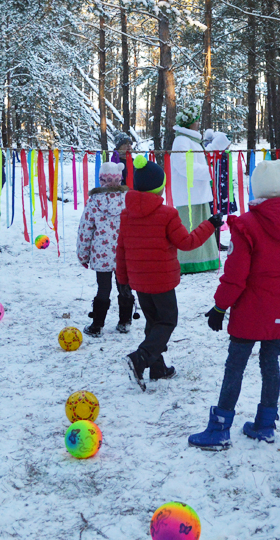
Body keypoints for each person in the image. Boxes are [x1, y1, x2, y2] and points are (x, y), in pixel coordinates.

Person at [188, 160, 280, 450]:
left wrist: (220, 307)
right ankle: (266, 424)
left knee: (235, 365)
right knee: (270, 361)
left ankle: (220, 428)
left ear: (256, 189)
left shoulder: (247, 225)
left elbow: (236, 272)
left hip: (250, 309)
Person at [118, 154, 220, 391]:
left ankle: (158, 368)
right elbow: (187, 242)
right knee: (167, 321)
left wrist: (123, 281)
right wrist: (210, 224)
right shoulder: (167, 214)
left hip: (139, 280)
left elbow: (121, 249)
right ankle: (140, 358)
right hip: (162, 280)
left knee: (153, 322)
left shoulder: (126, 214)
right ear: (160, 187)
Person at [77, 162, 136, 336]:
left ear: (101, 179)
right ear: (119, 179)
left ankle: (97, 325)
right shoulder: (128, 200)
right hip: (123, 254)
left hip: (101, 255)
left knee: (103, 288)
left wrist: (83, 255)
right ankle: (125, 321)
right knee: (124, 286)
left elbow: (85, 229)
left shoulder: (94, 202)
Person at [170, 101, 219, 273]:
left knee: (201, 225)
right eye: (196, 120)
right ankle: (189, 262)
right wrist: (209, 172)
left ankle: (204, 260)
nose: (198, 123)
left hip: (197, 193)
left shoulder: (191, 140)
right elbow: (183, 165)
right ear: (189, 122)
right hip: (188, 194)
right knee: (191, 227)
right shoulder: (181, 141)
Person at [204, 129, 235, 251]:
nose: (229, 145)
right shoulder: (214, 154)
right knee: (212, 214)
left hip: (221, 189)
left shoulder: (224, 154)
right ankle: (211, 242)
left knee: (218, 213)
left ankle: (216, 241)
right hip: (213, 190)